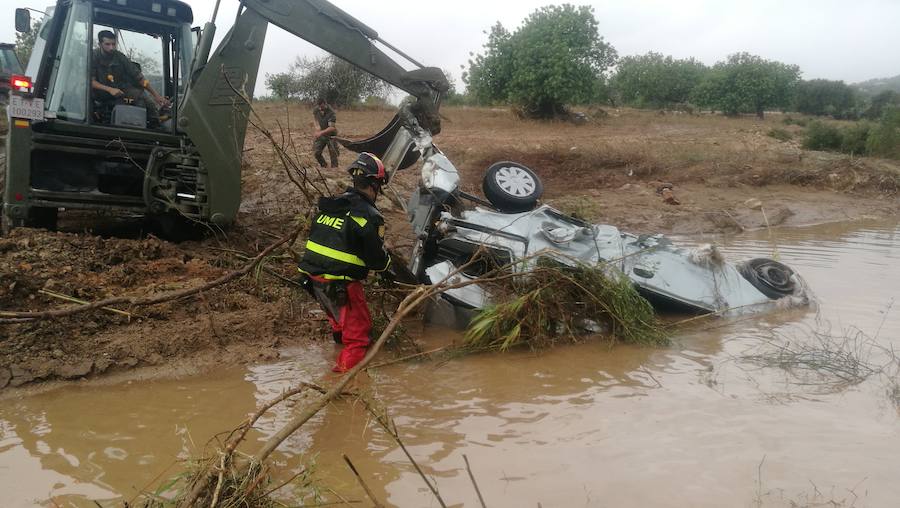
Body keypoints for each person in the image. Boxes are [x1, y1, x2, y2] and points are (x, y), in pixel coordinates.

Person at [298, 152, 391, 372]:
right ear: (375, 185)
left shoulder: (332, 204)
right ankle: (343, 386)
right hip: (340, 284)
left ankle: (339, 341)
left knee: (338, 317)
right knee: (359, 338)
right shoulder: (369, 214)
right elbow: (376, 261)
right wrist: (387, 266)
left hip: (311, 278)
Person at [91, 30, 171, 126]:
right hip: (99, 91)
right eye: (107, 44)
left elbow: (139, 78)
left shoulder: (120, 57)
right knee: (82, 92)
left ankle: (155, 122)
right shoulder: (93, 56)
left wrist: (156, 95)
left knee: (144, 97)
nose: (111, 47)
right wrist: (109, 89)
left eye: (113, 44)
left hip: (120, 89)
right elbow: (91, 81)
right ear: (100, 44)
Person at [312, 98, 340, 168]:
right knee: (316, 153)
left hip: (331, 136)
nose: (320, 108)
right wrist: (317, 128)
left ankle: (334, 170)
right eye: (319, 107)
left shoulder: (331, 113)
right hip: (321, 135)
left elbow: (332, 128)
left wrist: (320, 133)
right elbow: (315, 119)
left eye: (321, 106)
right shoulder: (316, 110)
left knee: (333, 154)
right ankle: (324, 166)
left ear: (325, 104)